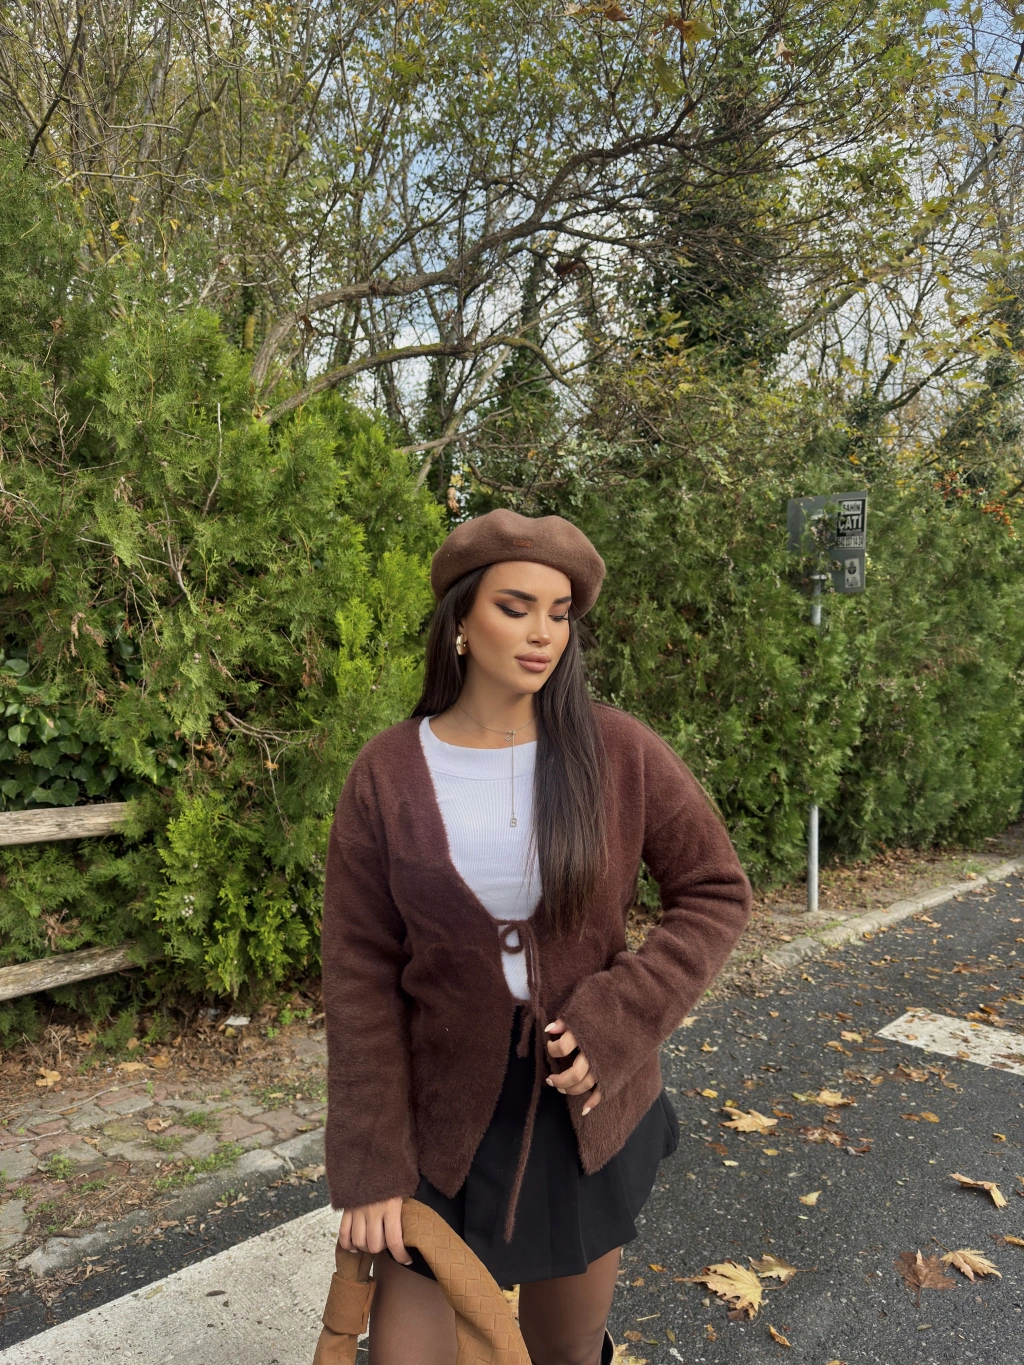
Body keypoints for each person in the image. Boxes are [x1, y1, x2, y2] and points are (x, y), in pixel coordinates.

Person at [321, 509, 752, 1365]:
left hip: (581, 1113)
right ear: (460, 620)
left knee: (565, 1351)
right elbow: (359, 970)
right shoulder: (387, 771)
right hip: (439, 1120)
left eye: (559, 613)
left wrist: (619, 1016)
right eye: (515, 607)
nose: (542, 633)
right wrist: (369, 1161)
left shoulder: (617, 750)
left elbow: (715, 889)